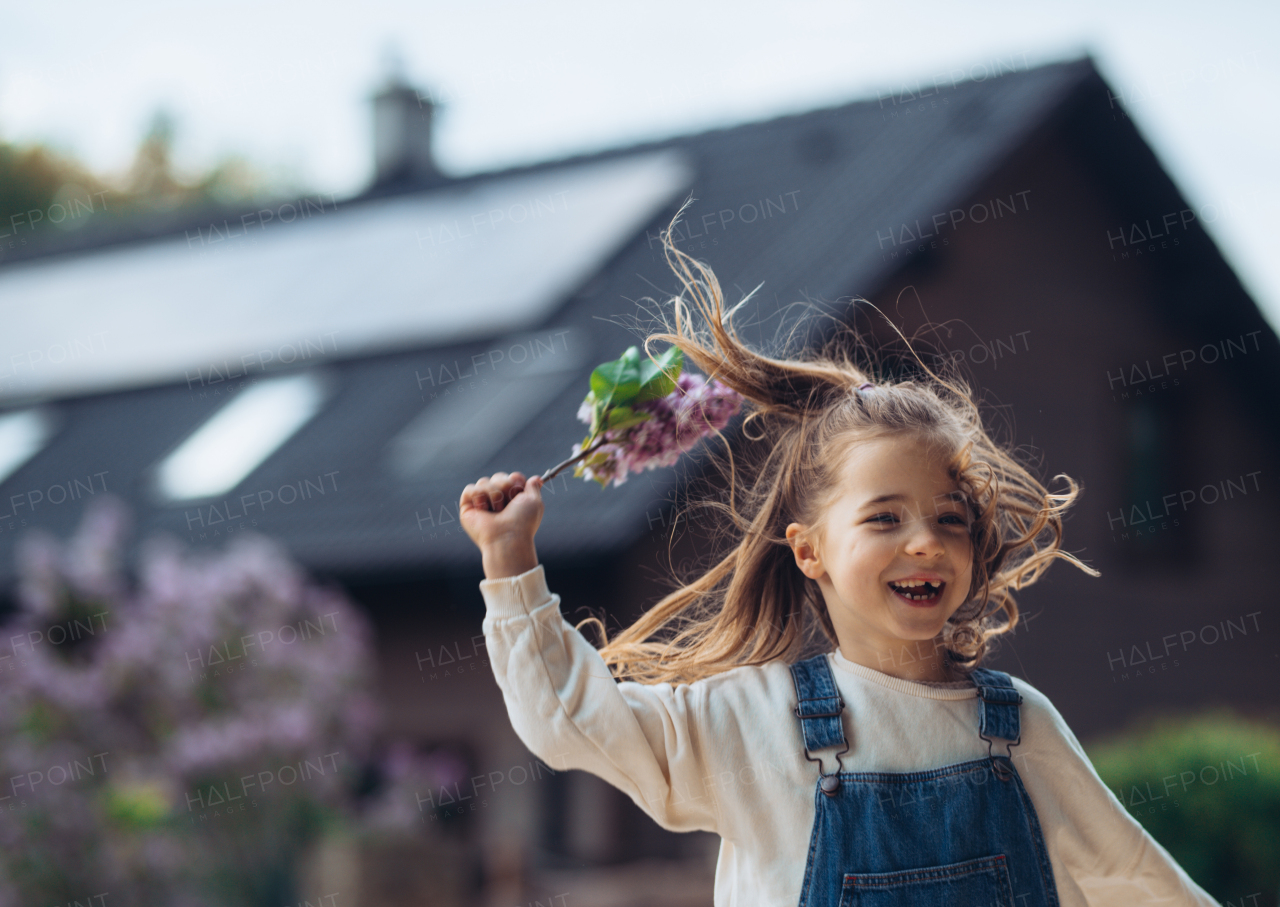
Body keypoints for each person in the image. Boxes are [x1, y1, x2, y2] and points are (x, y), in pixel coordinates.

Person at [459, 215, 1218, 907]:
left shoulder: (1019, 725)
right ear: (810, 549)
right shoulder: (751, 721)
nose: (924, 540)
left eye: (948, 519)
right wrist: (510, 560)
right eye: (884, 517)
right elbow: (571, 722)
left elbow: (1139, 883)